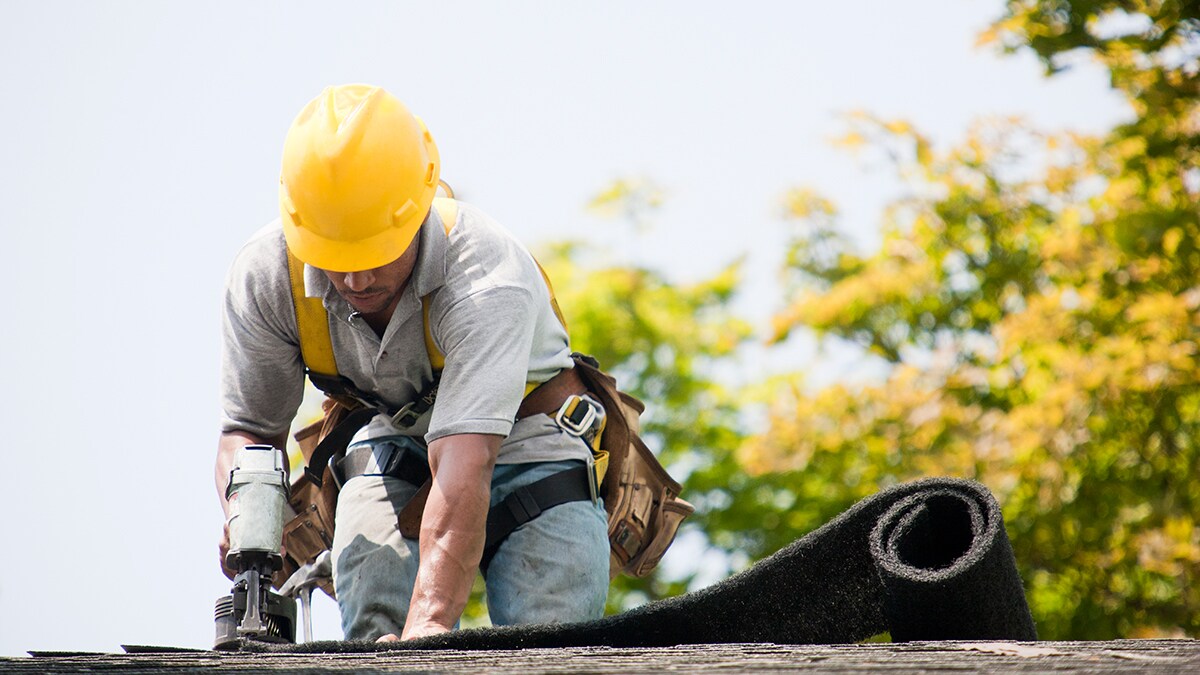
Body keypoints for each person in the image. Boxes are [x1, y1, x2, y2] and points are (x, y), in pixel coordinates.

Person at [214, 84, 610, 641]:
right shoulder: (267, 277)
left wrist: (424, 639)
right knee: (369, 582)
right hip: (397, 435)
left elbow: (464, 463)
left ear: (417, 212)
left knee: (549, 640)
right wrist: (250, 514)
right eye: (334, 258)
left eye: (374, 254)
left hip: (530, 440)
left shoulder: (485, 276)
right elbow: (250, 433)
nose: (355, 281)